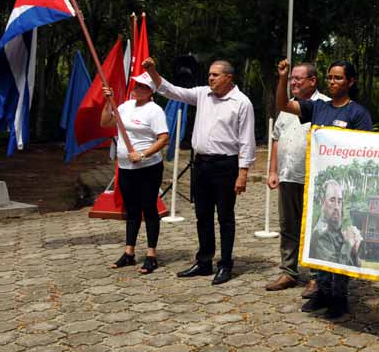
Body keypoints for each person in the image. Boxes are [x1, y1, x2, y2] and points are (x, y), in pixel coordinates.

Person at [142, 57, 255, 285]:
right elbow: (171, 91)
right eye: (210, 74)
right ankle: (204, 262)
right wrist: (153, 71)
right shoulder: (203, 94)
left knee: (225, 217)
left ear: (228, 77)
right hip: (201, 165)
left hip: (225, 166)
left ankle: (225, 264)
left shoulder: (242, 103)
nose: (210, 78)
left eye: (215, 75)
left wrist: (243, 173)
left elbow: (246, 141)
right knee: (202, 216)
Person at [276, 58, 372, 318]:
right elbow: (283, 104)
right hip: (319, 191)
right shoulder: (318, 107)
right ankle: (322, 292)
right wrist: (284, 77)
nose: (332, 82)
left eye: (338, 78)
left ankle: (339, 299)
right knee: (319, 241)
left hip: (343, 194)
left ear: (351, 82)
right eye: (330, 77)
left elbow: (366, 153)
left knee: (340, 245)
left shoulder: (358, 114)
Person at [265, 62, 329, 293]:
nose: (293, 82)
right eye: (291, 79)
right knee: (288, 225)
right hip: (288, 175)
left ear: (313, 81)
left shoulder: (323, 106)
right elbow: (276, 138)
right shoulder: (286, 107)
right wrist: (273, 171)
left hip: (312, 179)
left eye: (298, 79)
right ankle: (289, 271)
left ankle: (316, 276)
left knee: (314, 228)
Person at [102, 72, 169, 274]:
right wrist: (108, 102)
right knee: (131, 210)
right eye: (136, 84)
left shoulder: (154, 111)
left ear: (150, 91)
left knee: (149, 208)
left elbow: (163, 138)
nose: (136, 87)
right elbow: (105, 123)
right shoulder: (124, 106)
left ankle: (151, 255)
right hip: (125, 168)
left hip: (148, 168)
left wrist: (143, 154)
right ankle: (129, 253)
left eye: (141, 86)